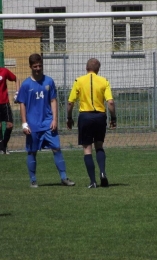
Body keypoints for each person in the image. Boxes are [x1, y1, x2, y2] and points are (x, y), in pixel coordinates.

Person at [16, 53, 75, 188]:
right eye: (35, 66)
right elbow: (22, 104)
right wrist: (24, 123)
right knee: (32, 151)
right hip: (33, 124)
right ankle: (33, 179)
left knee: (57, 148)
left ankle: (64, 177)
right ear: (30, 66)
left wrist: (55, 119)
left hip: (48, 123)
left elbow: (53, 100)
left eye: (40, 66)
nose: (38, 68)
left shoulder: (49, 81)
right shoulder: (25, 85)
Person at [67, 58, 116, 188]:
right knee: (99, 146)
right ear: (98, 69)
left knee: (87, 149)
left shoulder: (79, 81)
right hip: (100, 116)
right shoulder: (104, 81)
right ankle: (103, 173)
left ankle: (93, 181)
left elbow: (70, 102)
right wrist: (113, 118)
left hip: (85, 117)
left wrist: (69, 117)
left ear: (86, 68)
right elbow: (110, 102)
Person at [0, 67, 20, 154]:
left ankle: (3, 146)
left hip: (5, 103)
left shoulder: (4, 71)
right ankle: (2, 149)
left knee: (10, 125)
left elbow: (16, 79)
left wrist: (17, 93)